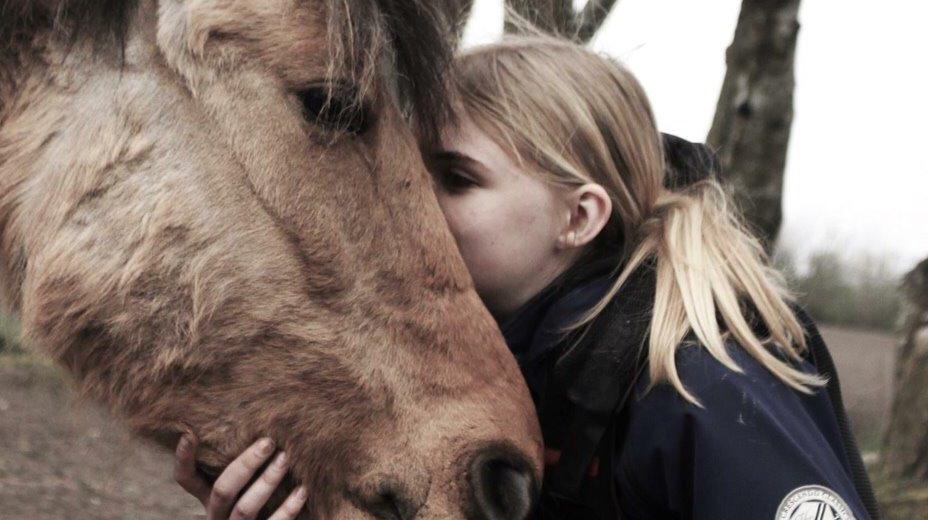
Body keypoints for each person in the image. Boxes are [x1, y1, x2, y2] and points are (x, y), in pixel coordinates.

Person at [173, 35, 877, 519]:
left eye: (454, 178)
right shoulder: (442, 371)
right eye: (410, 174)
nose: (407, 206)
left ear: (579, 217)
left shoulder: (703, 384)